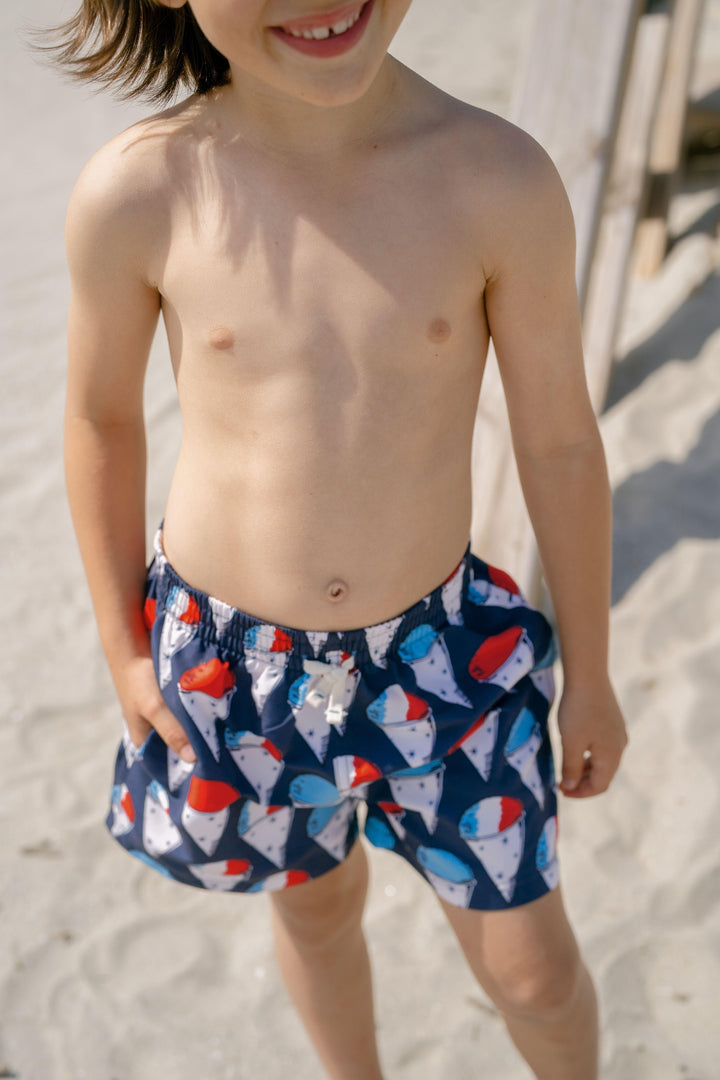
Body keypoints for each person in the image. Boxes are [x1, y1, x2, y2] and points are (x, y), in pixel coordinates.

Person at [50, 1, 628, 1077]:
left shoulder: (495, 177)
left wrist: (589, 672)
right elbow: (100, 420)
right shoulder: (140, 189)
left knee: (534, 971)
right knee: (318, 914)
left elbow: (558, 443)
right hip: (237, 673)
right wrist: (124, 647)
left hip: (444, 655)